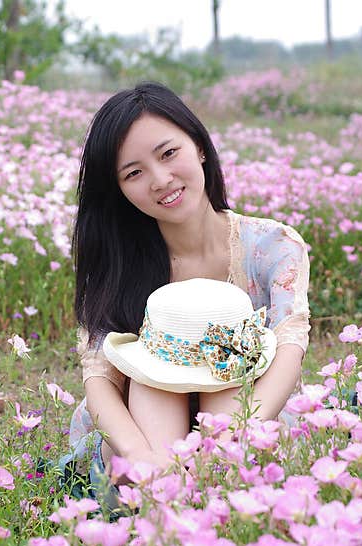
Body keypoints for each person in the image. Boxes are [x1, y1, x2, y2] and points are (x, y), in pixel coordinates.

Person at [66, 81, 311, 501]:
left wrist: (232, 442)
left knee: (233, 371)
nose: (161, 180)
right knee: (151, 380)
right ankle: (161, 511)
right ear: (119, 190)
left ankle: (211, 498)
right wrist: (142, 456)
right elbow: (100, 378)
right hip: (143, 420)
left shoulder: (273, 245)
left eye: (168, 153)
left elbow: (290, 345)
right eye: (134, 173)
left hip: (248, 408)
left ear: (199, 145)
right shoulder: (118, 262)